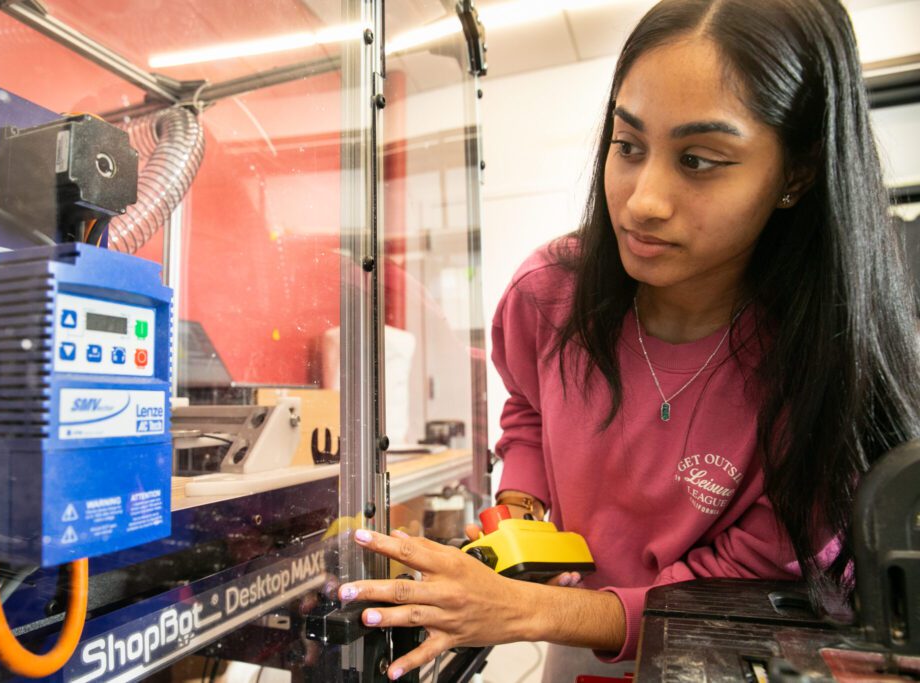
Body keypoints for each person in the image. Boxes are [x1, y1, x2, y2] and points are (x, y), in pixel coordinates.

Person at [338, 0, 920, 679]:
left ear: (796, 173)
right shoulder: (547, 294)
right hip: (572, 637)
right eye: (629, 145)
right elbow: (528, 407)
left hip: (728, 651)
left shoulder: (826, 372)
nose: (644, 199)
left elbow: (740, 586)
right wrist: (521, 515)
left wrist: (529, 609)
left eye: (699, 160)